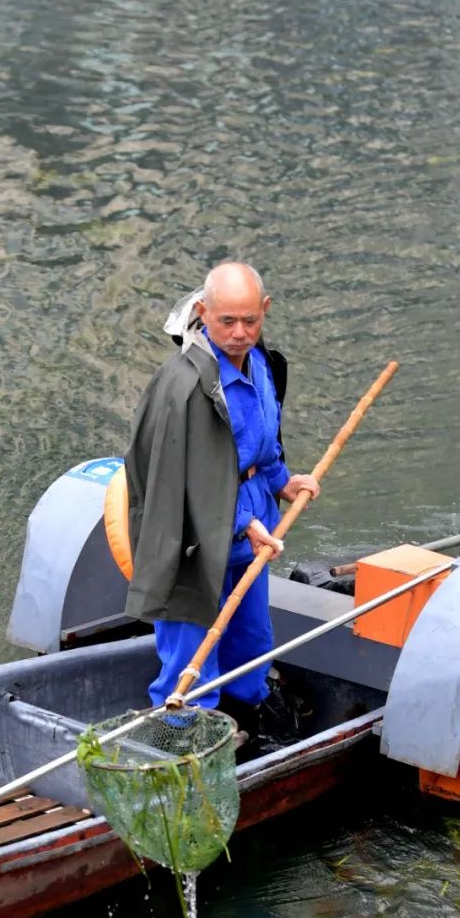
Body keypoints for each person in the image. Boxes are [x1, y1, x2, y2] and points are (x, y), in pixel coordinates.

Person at [123, 262, 319, 736]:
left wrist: (282, 482)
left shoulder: (263, 364)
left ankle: (243, 733)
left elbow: (264, 441)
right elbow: (174, 480)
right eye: (226, 321)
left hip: (253, 531)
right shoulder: (182, 387)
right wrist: (241, 521)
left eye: (250, 320)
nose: (239, 333)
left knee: (252, 644)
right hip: (192, 540)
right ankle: (186, 741)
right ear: (202, 312)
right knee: (192, 660)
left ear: (265, 311)